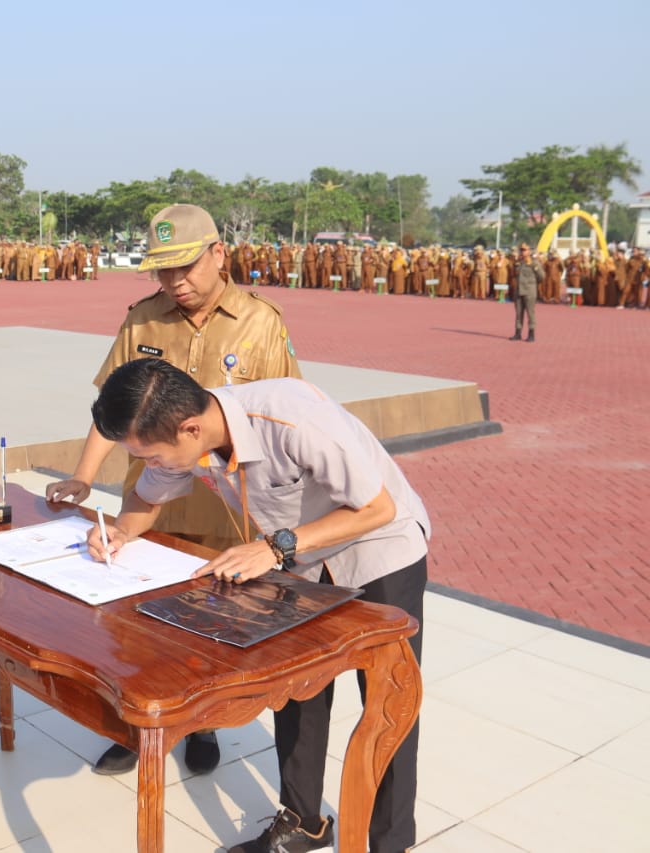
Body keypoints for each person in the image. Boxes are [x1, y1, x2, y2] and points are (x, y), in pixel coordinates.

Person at [87, 357, 429, 853]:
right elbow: (146, 500)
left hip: (379, 550)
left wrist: (273, 547)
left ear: (190, 428)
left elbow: (377, 508)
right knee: (298, 690)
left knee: (387, 702)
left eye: (153, 456)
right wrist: (118, 531)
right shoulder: (187, 437)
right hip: (299, 560)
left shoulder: (292, 417)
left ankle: (391, 842)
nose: (152, 465)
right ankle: (303, 824)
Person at [46, 203, 300, 777]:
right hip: (150, 501)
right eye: (163, 270)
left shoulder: (260, 322)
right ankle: (134, 725)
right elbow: (112, 412)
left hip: (224, 507)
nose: (175, 281)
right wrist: (83, 476)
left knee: (212, 619)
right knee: (134, 619)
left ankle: (201, 722)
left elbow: (280, 414)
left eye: (186, 267)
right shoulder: (143, 320)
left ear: (219, 253)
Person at [510, 243, 544, 342]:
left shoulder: (534, 263)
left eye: (524, 250)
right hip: (519, 291)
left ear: (529, 251)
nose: (522, 252)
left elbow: (541, 276)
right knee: (518, 314)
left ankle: (531, 334)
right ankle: (518, 333)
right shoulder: (519, 263)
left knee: (530, 313)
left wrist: (532, 284)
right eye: (521, 250)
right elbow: (513, 274)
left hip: (529, 292)